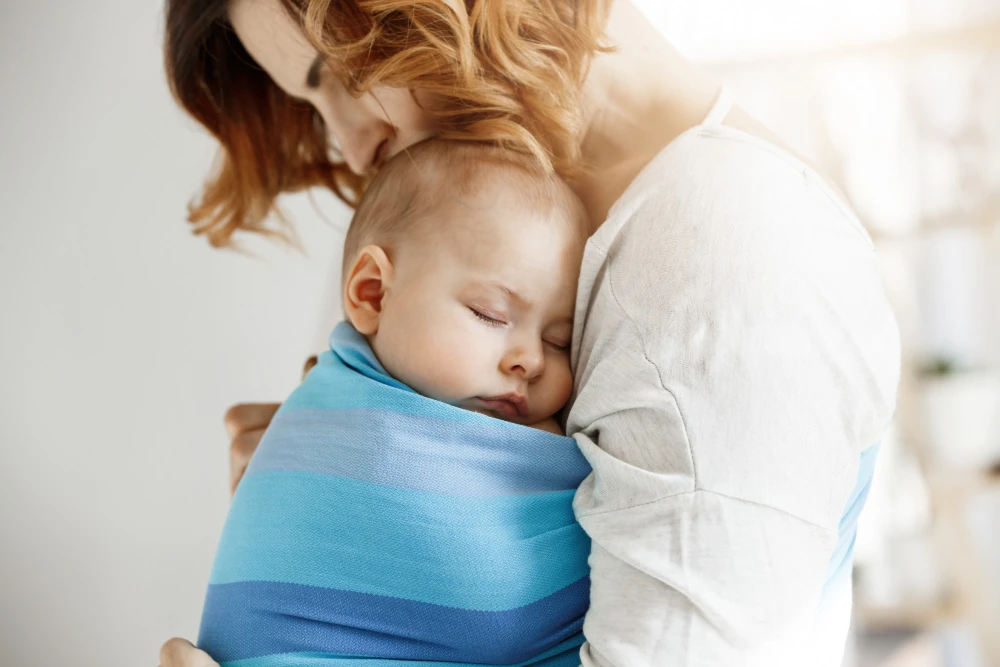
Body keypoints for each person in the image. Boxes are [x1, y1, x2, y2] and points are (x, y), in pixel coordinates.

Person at [161, 0, 901, 665]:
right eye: (312, 105)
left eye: (342, 72)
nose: (351, 148)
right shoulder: (502, 226)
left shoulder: (723, 242)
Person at [198, 139, 593, 666]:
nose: (531, 359)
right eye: (489, 314)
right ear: (372, 294)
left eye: (559, 340)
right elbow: (495, 604)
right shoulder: (337, 417)